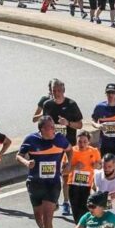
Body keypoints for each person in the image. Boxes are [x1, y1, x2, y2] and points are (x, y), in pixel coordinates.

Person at [17, 116, 72, 228]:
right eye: (50, 128)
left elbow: (69, 149)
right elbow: (18, 156)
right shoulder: (31, 139)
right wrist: (27, 162)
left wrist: (69, 164)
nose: (53, 130)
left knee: (48, 218)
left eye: (54, 127)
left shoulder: (60, 139)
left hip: (52, 184)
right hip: (35, 183)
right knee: (38, 217)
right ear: (41, 129)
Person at [33, 78, 85, 213]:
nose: (56, 93)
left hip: (67, 145)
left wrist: (68, 123)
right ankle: (53, 200)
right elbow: (43, 124)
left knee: (66, 174)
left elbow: (80, 124)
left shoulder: (72, 104)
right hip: (51, 146)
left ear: (63, 90)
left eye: (59, 90)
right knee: (51, 174)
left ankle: (66, 202)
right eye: (54, 90)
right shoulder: (47, 105)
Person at [66, 130, 102, 226]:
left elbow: (100, 165)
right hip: (73, 185)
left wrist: (96, 165)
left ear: (89, 142)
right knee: (76, 210)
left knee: (86, 209)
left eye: (85, 141)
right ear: (76, 141)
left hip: (86, 186)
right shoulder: (71, 152)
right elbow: (63, 170)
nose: (82, 144)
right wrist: (74, 167)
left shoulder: (94, 151)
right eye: (80, 141)